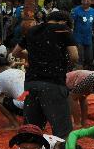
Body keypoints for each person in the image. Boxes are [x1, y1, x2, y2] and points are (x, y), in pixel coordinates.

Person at [12, 10, 78, 138]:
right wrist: (64, 63)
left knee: (31, 129)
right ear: (63, 22)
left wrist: (33, 56)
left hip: (31, 84)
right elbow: (74, 56)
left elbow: (15, 52)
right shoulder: (62, 29)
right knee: (62, 131)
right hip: (53, 83)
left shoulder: (32, 30)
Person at [70, 0, 94, 69]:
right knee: (79, 57)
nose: (85, 2)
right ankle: (79, 73)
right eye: (84, 0)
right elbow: (71, 24)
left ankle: (86, 73)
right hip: (77, 37)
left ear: (91, 1)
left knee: (89, 57)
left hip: (88, 38)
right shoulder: (75, 10)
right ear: (81, 1)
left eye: (88, 0)